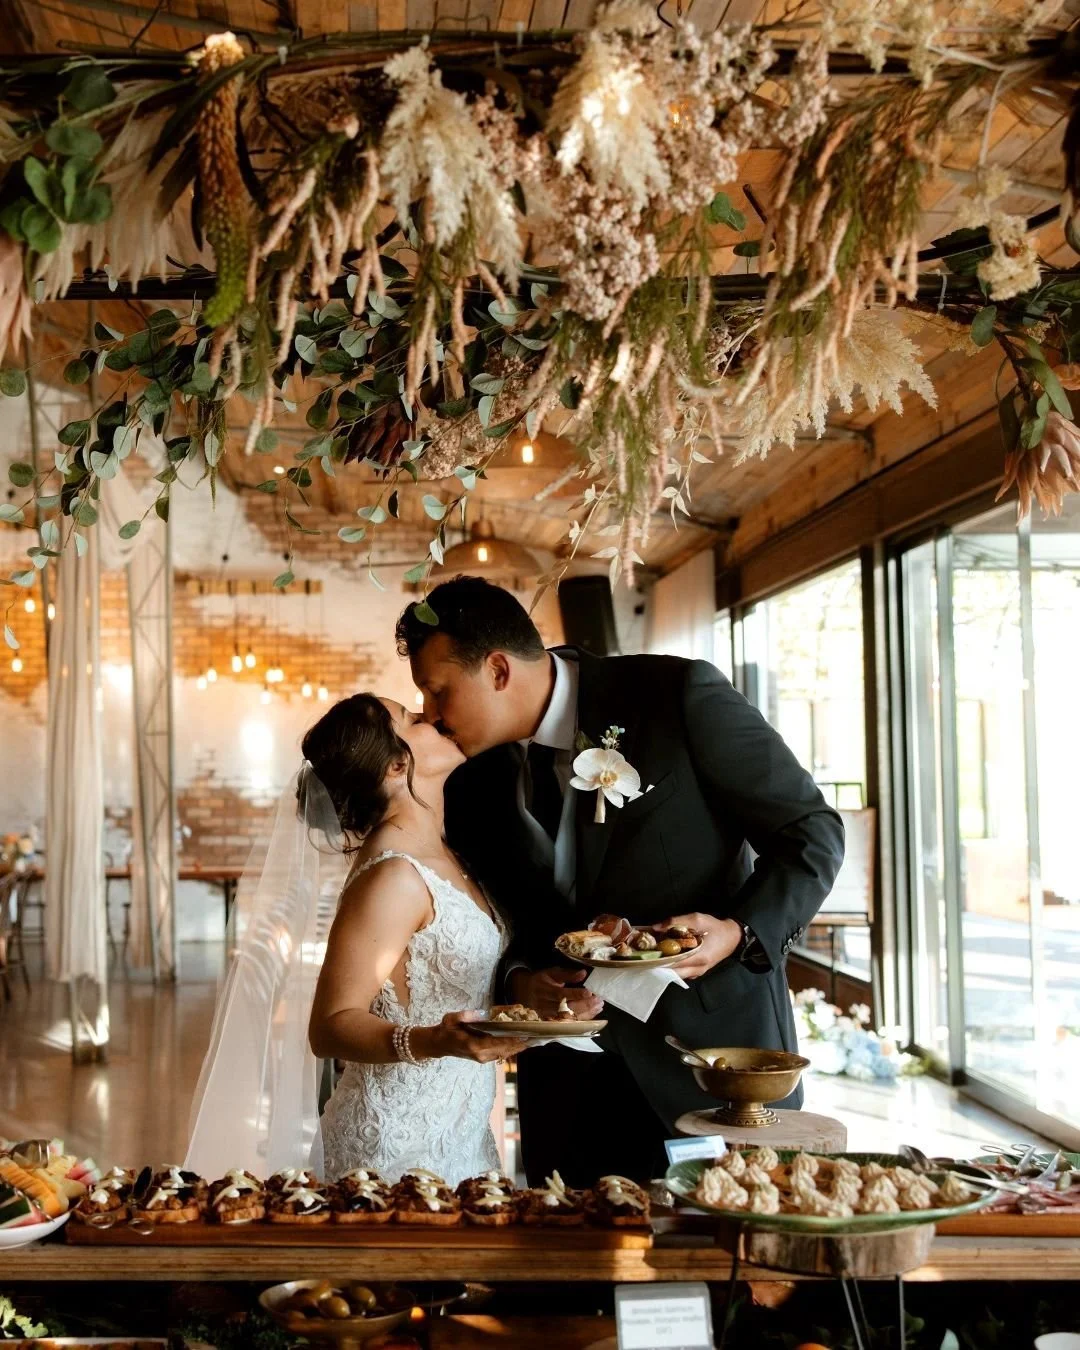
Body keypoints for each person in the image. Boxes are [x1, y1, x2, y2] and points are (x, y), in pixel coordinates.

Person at [397, 576, 846, 1186]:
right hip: (567, 1088)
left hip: (707, 1066)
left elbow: (811, 832)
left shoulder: (674, 695)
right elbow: (501, 922)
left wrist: (737, 932)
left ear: (498, 670)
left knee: (730, 1268)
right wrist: (523, 979)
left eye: (438, 691)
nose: (429, 714)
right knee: (582, 1271)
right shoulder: (470, 782)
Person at [185, 692, 528, 1186]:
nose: (434, 716)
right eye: (413, 719)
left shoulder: (447, 856)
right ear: (395, 766)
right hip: (390, 1149)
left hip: (460, 1136)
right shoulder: (392, 877)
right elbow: (330, 1026)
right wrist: (433, 1040)